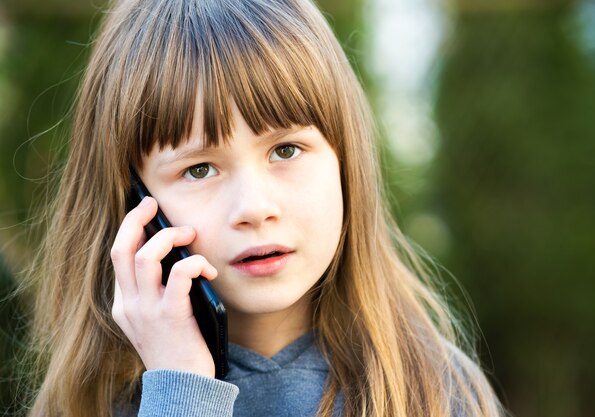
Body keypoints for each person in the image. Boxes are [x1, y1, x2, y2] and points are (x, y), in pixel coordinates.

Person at [22, 0, 504, 416]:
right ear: (133, 201)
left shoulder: (433, 390)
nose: (255, 208)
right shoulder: (95, 403)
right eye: (199, 169)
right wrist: (181, 393)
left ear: (345, 161)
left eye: (286, 150)